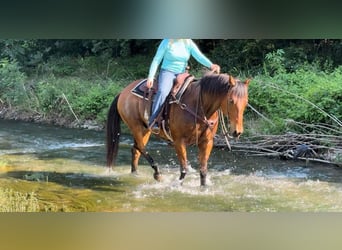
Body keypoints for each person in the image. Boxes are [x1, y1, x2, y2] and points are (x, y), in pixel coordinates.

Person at [146, 39, 220, 133]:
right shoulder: (166, 42)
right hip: (168, 72)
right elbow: (157, 59)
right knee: (163, 92)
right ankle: (154, 120)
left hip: (183, 74)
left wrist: (211, 65)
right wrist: (151, 77)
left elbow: (199, 56)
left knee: (194, 91)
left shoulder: (188, 42)